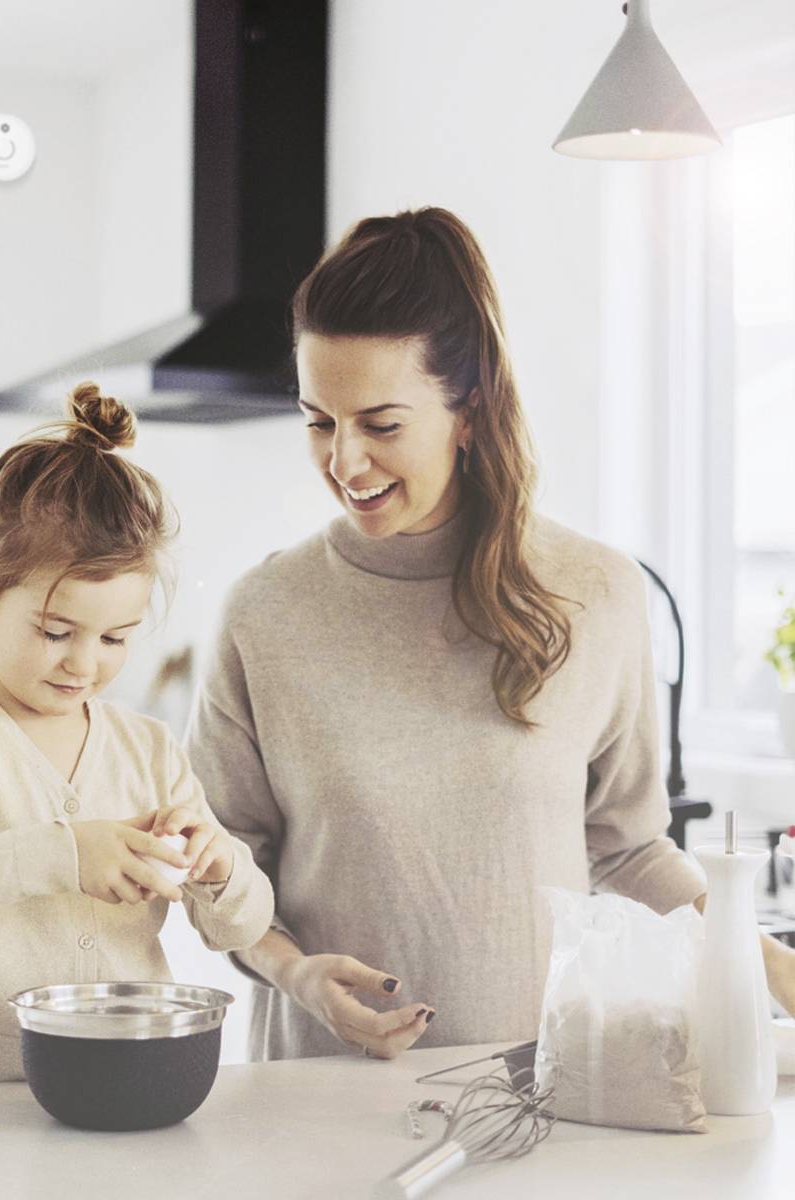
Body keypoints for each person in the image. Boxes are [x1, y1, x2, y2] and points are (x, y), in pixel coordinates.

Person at [186, 207, 795, 1063]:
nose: (345, 463)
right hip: (318, 1099)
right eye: (319, 421)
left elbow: (629, 850)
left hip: (540, 1094)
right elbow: (220, 872)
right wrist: (295, 974)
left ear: (468, 410)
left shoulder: (595, 595)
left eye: (382, 424)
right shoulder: (266, 613)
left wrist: (769, 964)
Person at [0, 383, 274, 1088]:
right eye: (55, 632)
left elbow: (240, 927)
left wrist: (219, 865)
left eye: (115, 637)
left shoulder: (149, 749)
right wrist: (62, 854)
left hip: (126, 1076)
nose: (85, 663)